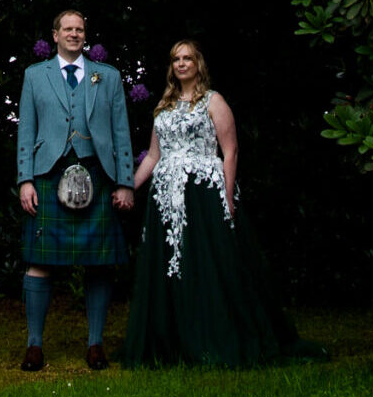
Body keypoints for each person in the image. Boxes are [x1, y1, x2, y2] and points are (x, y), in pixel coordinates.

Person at [122, 40, 321, 368]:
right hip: (167, 199)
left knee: (209, 265)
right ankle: (175, 341)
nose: (181, 64)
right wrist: (129, 187)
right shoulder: (164, 105)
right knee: (172, 269)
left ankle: (217, 336)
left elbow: (230, 151)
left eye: (188, 58)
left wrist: (227, 196)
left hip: (204, 194)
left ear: (198, 64)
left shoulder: (214, 101)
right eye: (176, 59)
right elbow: (154, 156)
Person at [14, 9, 135, 371]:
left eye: (79, 29)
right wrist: (25, 179)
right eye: (67, 29)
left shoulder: (107, 76)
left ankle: (95, 344)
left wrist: (125, 182)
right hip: (48, 175)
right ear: (55, 35)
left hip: (97, 174)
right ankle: (34, 345)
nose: (74, 34)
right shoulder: (34, 75)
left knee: (99, 264)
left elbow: (121, 132)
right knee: (39, 262)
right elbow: (25, 131)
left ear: (85, 35)